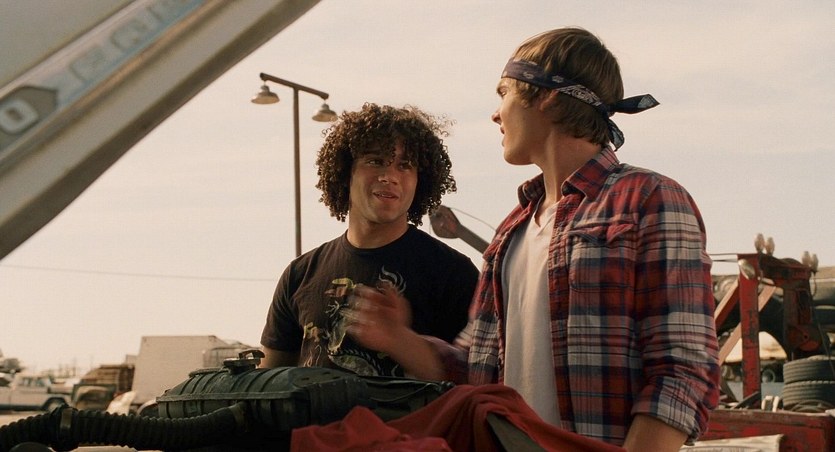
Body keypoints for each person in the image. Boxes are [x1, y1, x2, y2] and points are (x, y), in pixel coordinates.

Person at [347, 28, 720, 451]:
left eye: (503, 92)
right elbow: (473, 371)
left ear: (546, 96)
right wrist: (398, 338)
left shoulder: (648, 199)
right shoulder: (512, 230)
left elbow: (682, 371)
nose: (495, 114)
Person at [259, 103, 479, 377]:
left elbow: (476, 382)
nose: (389, 177)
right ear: (345, 172)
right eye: (375, 161)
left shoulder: (454, 273)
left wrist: (401, 340)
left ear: (420, 181)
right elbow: (266, 384)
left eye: (405, 166)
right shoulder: (300, 275)